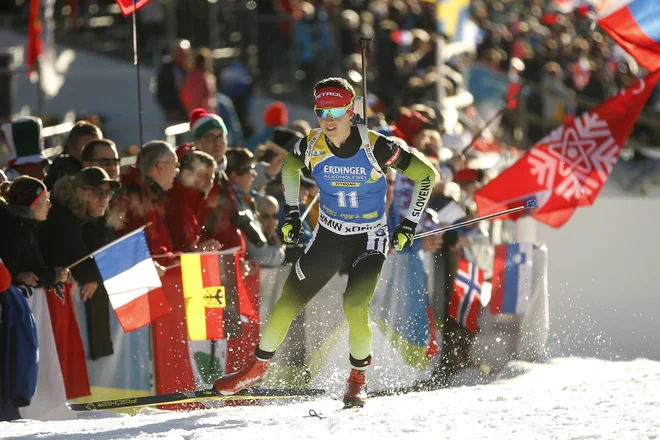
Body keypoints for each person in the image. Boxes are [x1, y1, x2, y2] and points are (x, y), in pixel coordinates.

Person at [213, 77, 437, 408]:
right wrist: (291, 213)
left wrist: (408, 223)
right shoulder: (312, 144)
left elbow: (426, 174)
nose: (328, 120)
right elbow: (290, 166)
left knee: (355, 305)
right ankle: (256, 370)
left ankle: (357, 379)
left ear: (350, 110)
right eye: (321, 112)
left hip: (367, 239)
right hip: (329, 236)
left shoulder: (377, 146)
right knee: (287, 303)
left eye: (335, 111)